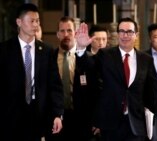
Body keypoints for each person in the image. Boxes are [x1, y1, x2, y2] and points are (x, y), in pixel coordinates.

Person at [84, 17, 157, 141]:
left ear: (136, 35)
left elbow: (152, 91)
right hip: (110, 124)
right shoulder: (105, 55)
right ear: (118, 34)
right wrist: (81, 49)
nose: (125, 35)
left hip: (136, 124)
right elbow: (88, 70)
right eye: (122, 31)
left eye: (129, 32)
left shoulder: (146, 60)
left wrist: (150, 116)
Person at [0, 3, 64, 141]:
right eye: (32, 21)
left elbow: (55, 86)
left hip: (38, 112)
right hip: (10, 115)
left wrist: (57, 114)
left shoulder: (47, 51)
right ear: (19, 22)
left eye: (38, 21)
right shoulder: (4, 50)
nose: (36, 25)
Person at [45, 16, 100, 141]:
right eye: (62, 31)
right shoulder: (49, 58)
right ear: (57, 34)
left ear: (75, 33)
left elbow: (96, 90)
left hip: (82, 120)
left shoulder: (89, 58)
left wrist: (97, 119)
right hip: (56, 119)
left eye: (69, 30)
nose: (66, 34)